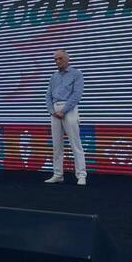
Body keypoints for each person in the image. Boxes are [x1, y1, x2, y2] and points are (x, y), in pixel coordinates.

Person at [45, 49, 87, 186]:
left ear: (67, 59)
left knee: (75, 144)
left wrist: (63, 111)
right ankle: (58, 174)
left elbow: (77, 94)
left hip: (69, 109)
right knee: (57, 146)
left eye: (60, 58)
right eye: (55, 59)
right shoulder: (54, 76)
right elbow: (48, 95)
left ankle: (81, 175)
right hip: (55, 110)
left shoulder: (76, 74)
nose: (57, 61)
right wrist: (52, 111)